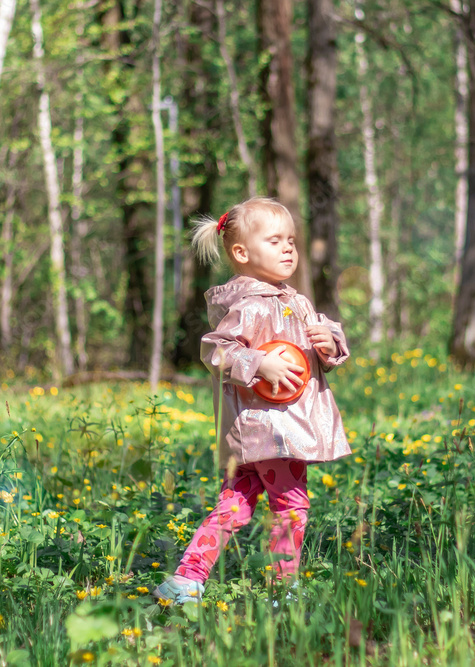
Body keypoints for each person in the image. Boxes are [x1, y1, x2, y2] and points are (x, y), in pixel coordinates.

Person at [153, 197, 351, 604]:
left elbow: (322, 355)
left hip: (266, 432)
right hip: (270, 428)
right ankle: (283, 588)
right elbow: (215, 351)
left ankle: (186, 579)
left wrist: (328, 344)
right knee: (292, 505)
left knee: (236, 503)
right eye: (275, 240)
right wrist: (260, 363)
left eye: (292, 240)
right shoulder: (248, 305)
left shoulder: (296, 301)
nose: (288, 248)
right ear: (241, 253)